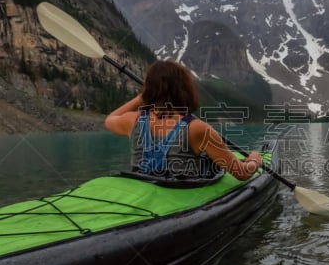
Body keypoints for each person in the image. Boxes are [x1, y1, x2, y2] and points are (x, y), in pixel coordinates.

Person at [105, 60, 262, 181]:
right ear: (184, 89)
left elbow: (110, 119)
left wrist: (141, 98)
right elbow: (241, 173)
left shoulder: (132, 120)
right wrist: (254, 161)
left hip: (144, 185)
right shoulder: (198, 129)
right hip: (179, 192)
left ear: (148, 89)